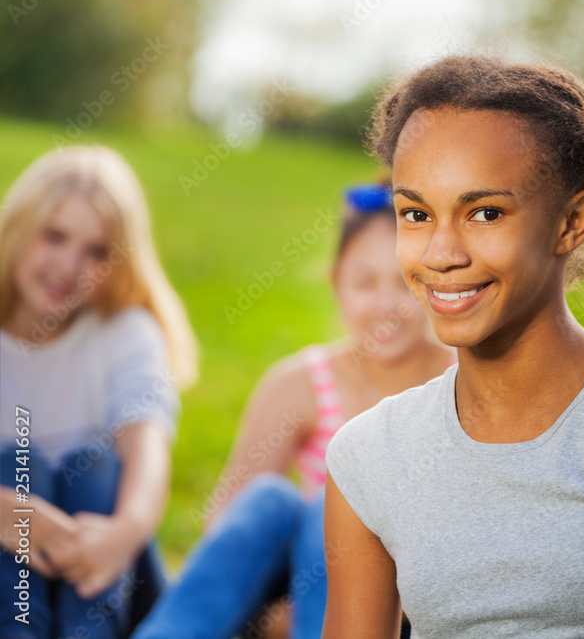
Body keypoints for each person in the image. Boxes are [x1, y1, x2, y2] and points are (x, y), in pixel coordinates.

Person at [322, 54, 584, 637]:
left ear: (571, 221)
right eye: (416, 213)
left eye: (485, 212)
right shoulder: (368, 455)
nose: (441, 254)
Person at [133, 183, 456, 639]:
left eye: (404, 283)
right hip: (310, 594)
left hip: (413, 607)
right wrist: (271, 614)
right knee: (272, 500)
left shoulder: (464, 382)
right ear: (336, 283)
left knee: (340, 504)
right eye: (365, 283)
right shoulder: (300, 383)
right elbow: (227, 520)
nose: (386, 306)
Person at [0, 146, 198, 638]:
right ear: (19, 227)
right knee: (16, 466)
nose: (69, 265)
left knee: (100, 467)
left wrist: (124, 533)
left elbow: (147, 443)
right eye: (55, 236)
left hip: (102, 577)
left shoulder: (125, 332)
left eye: (96, 252)